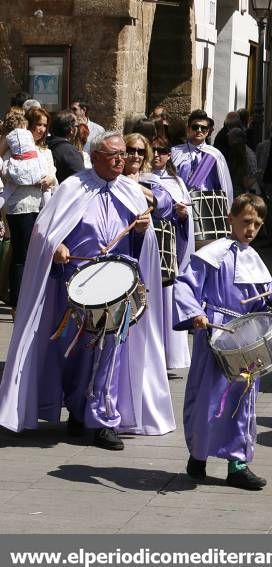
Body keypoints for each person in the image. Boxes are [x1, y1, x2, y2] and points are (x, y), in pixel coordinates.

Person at [0, 132, 175, 446]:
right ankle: (79, 409)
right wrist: (58, 246)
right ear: (94, 157)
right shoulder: (73, 188)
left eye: (124, 154)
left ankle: (104, 420)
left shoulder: (131, 191)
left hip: (119, 287)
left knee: (112, 352)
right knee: (78, 354)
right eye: (113, 155)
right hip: (77, 287)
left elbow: (146, 234)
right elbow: (44, 232)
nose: (122, 159)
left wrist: (141, 232)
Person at [173, 193, 272, 490]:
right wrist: (196, 313)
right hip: (215, 332)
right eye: (246, 221)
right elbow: (186, 286)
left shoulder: (256, 261)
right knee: (208, 399)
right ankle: (198, 456)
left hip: (246, 337)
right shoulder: (213, 254)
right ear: (231, 219)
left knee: (243, 400)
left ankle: (237, 464)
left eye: (258, 224)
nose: (251, 229)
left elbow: (261, 310)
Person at [140, 136, 193, 371]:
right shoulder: (140, 179)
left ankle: (169, 356)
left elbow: (185, 220)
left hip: (166, 249)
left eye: (163, 151)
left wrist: (182, 215)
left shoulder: (177, 182)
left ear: (170, 155)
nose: (159, 154)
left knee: (167, 298)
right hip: (144, 244)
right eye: (155, 150)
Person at [1, 107, 57, 312]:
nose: (41, 129)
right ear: (28, 125)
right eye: (38, 124)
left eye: (45, 125)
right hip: (21, 205)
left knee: (38, 254)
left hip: (42, 204)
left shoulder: (45, 151)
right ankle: (18, 304)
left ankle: (33, 301)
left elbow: (53, 176)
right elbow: (5, 171)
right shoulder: (14, 146)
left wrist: (50, 178)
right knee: (22, 255)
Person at [171, 109, 234, 209]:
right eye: (195, 127)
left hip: (207, 206)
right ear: (188, 129)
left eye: (203, 128)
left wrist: (228, 210)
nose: (199, 130)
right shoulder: (175, 152)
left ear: (208, 131)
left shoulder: (215, 155)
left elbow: (225, 185)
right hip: (181, 205)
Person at [46, 110, 86, 183]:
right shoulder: (69, 151)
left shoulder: (44, 144)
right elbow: (81, 179)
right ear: (71, 130)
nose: (77, 128)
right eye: (76, 126)